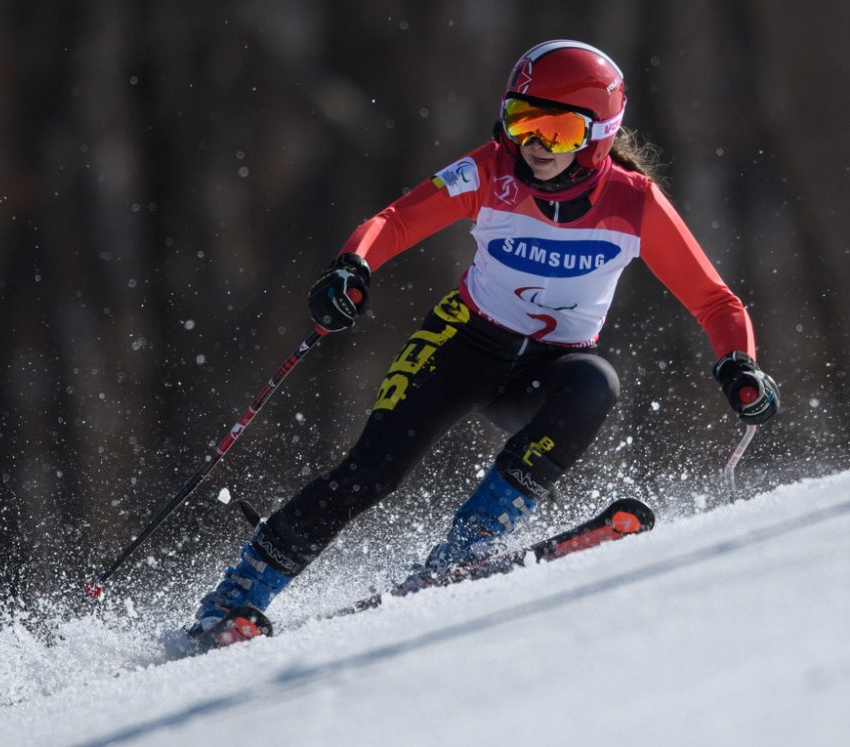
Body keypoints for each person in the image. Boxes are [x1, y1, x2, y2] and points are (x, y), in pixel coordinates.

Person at [185, 39, 780, 646]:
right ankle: (235, 597)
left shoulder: (634, 203)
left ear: (599, 134)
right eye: (523, 121)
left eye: (558, 129)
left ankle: (469, 546)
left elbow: (715, 301)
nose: (536, 145)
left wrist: (740, 365)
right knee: (372, 474)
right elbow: (393, 221)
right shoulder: (489, 171)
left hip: (546, 373)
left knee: (595, 383)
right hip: (463, 345)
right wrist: (352, 267)